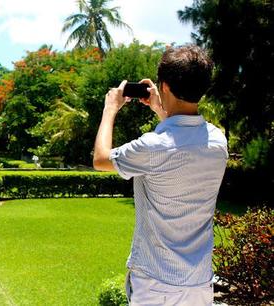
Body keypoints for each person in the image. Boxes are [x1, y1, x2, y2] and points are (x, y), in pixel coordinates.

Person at [93, 45, 228, 305]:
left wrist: (110, 109)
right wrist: (160, 108)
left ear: (164, 85)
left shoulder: (152, 147)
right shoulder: (217, 141)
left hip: (156, 284)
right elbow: (182, 138)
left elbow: (101, 159)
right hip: (199, 283)